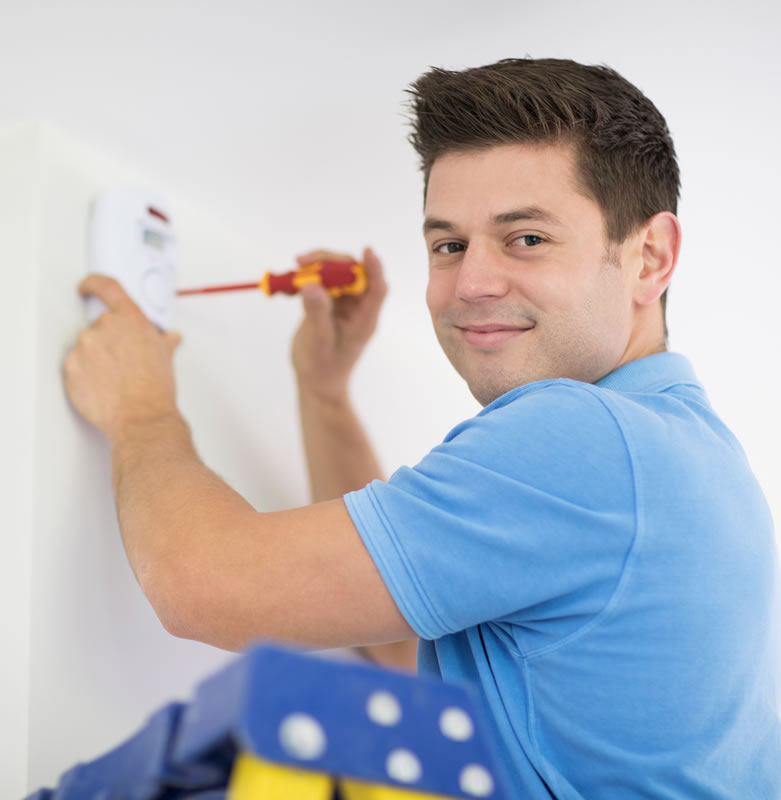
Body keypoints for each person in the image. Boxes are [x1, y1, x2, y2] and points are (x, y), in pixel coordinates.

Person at [64, 58, 780, 798]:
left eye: (525, 238)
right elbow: (403, 642)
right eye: (448, 245)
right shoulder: (697, 463)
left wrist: (140, 407)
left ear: (649, 256)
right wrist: (325, 392)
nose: (470, 283)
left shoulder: (585, 434)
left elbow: (203, 585)